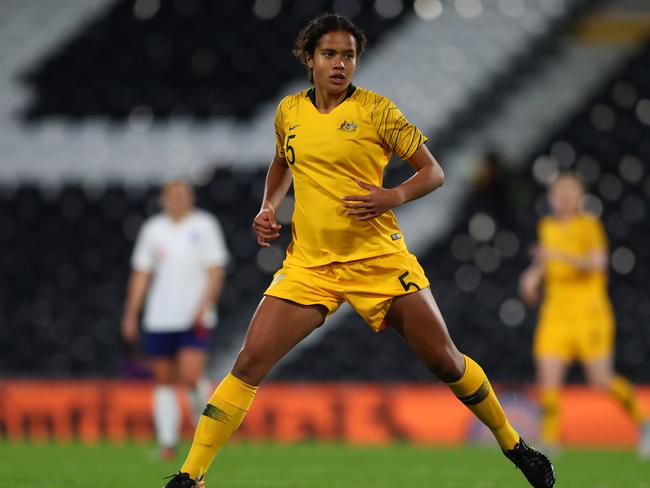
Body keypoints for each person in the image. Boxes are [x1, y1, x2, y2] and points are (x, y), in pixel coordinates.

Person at [164, 13, 555, 488]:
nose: (340, 63)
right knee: (248, 362)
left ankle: (514, 445)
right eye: (330, 54)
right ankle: (190, 476)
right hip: (310, 265)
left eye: (348, 55)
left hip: (378, 260)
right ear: (309, 59)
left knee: (445, 361)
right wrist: (269, 204)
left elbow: (433, 172)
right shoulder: (289, 111)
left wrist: (392, 196)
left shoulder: (376, 111)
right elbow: (280, 162)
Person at [520, 173, 650, 456]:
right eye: (560, 194)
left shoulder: (589, 226)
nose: (564, 200)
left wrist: (557, 256)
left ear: (579, 198)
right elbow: (545, 261)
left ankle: (644, 424)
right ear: (552, 199)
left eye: (570, 194)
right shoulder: (548, 226)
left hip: (589, 313)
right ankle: (549, 442)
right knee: (548, 380)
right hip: (555, 313)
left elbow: (597, 263)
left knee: (601, 379)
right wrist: (532, 276)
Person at [122, 180, 228, 460]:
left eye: (183, 195)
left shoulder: (205, 225)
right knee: (164, 380)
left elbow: (216, 270)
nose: (178, 200)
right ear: (164, 199)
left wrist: (204, 306)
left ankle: (207, 433)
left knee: (192, 377)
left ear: (191, 198)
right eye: (172, 196)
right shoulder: (152, 229)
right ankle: (167, 444)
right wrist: (131, 314)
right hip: (159, 316)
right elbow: (141, 274)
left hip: (195, 316)